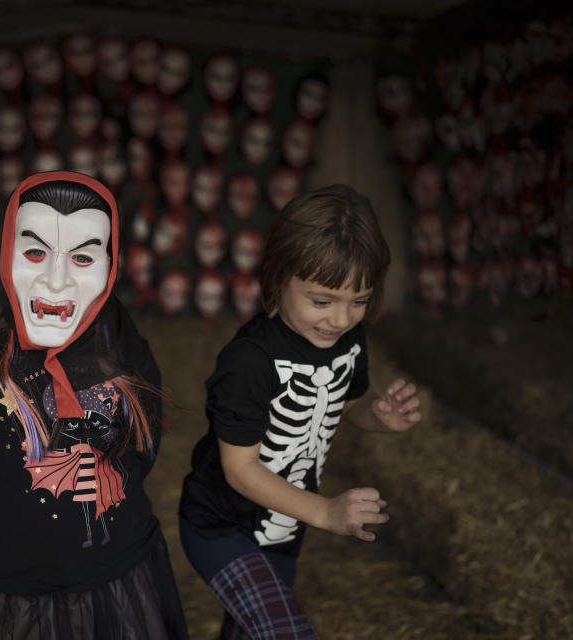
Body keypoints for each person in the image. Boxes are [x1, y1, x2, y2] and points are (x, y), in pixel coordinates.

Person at [0, 171, 189, 640]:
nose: (56, 277)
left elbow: (145, 435)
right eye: (35, 251)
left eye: (83, 257)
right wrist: (2, 506)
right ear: (7, 254)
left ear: (110, 268)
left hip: (122, 572)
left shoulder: (119, 337)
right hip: (19, 585)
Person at [178, 184, 422, 639]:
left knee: (252, 631)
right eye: (321, 300)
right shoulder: (249, 362)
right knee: (284, 632)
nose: (341, 318)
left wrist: (379, 416)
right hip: (222, 529)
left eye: (360, 300)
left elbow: (349, 403)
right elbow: (240, 469)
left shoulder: (348, 338)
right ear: (278, 277)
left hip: (286, 531)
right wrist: (327, 512)